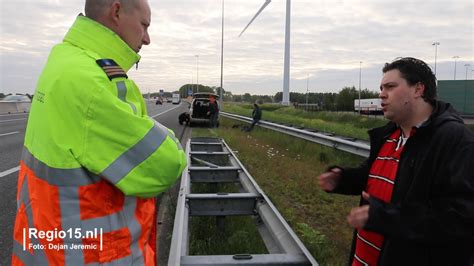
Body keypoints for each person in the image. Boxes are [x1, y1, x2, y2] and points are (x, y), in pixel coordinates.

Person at [12, 0, 187, 265]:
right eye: (144, 25)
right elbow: (165, 165)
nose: (147, 39)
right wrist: (167, 138)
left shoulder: (63, 60)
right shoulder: (95, 83)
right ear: (116, 12)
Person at [317, 57, 474, 265]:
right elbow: (375, 176)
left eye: (390, 87)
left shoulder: (454, 139)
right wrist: (343, 179)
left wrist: (384, 218)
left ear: (418, 89)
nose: (381, 94)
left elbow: (460, 218)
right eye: (381, 87)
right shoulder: (390, 134)